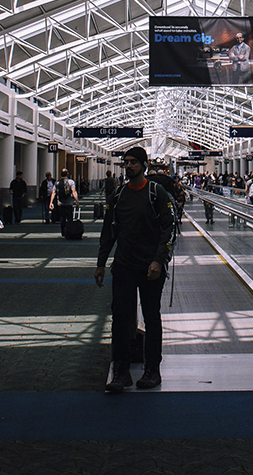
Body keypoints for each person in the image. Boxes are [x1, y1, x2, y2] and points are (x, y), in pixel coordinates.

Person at [95, 146, 175, 393]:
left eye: (133, 162)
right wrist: (101, 263)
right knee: (120, 317)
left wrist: (158, 261)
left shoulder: (156, 193)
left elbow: (168, 228)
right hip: (124, 265)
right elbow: (109, 231)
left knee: (151, 316)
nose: (128, 166)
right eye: (126, 162)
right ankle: (121, 371)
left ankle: (153, 369)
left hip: (150, 267)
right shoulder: (119, 195)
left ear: (144, 165)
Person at [53, 169, 78, 235]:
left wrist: (51, 202)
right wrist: (77, 201)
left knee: (62, 218)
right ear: (67, 174)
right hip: (69, 203)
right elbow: (73, 191)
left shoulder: (57, 182)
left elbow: (53, 192)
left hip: (60, 203)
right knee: (70, 218)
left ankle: (63, 232)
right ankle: (69, 231)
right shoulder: (71, 182)